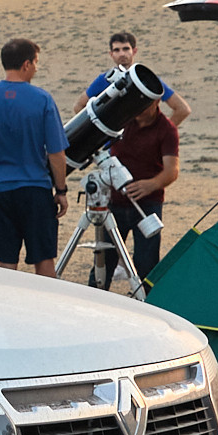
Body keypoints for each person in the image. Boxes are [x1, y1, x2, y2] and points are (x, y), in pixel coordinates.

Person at [0, 38, 69, 272]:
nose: (36, 68)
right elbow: (56, 153)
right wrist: (61, 190)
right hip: (34, 190)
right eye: (36, 63)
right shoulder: (42, 99)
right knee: (44, 259)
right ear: (26, 64)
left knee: (5, 263)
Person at [107, 87, 180, 280]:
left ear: (157, 102)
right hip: (114, 202)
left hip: (147, 205)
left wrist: (151, 185)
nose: (138, 108)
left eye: (144, 104)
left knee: (147, 264)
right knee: (105, 261)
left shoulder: (167, 130)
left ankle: (146, 297)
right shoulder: (122, 119)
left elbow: (172, 170)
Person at [88, 29, 189, 134]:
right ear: (111, 54)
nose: (122, 54)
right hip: (112, 142)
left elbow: (182, 109)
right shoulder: (104, 80)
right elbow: (80, 106)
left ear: (134, 51)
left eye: (126, 49)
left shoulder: (148, 80)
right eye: (117, 50)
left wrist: (159, 134)